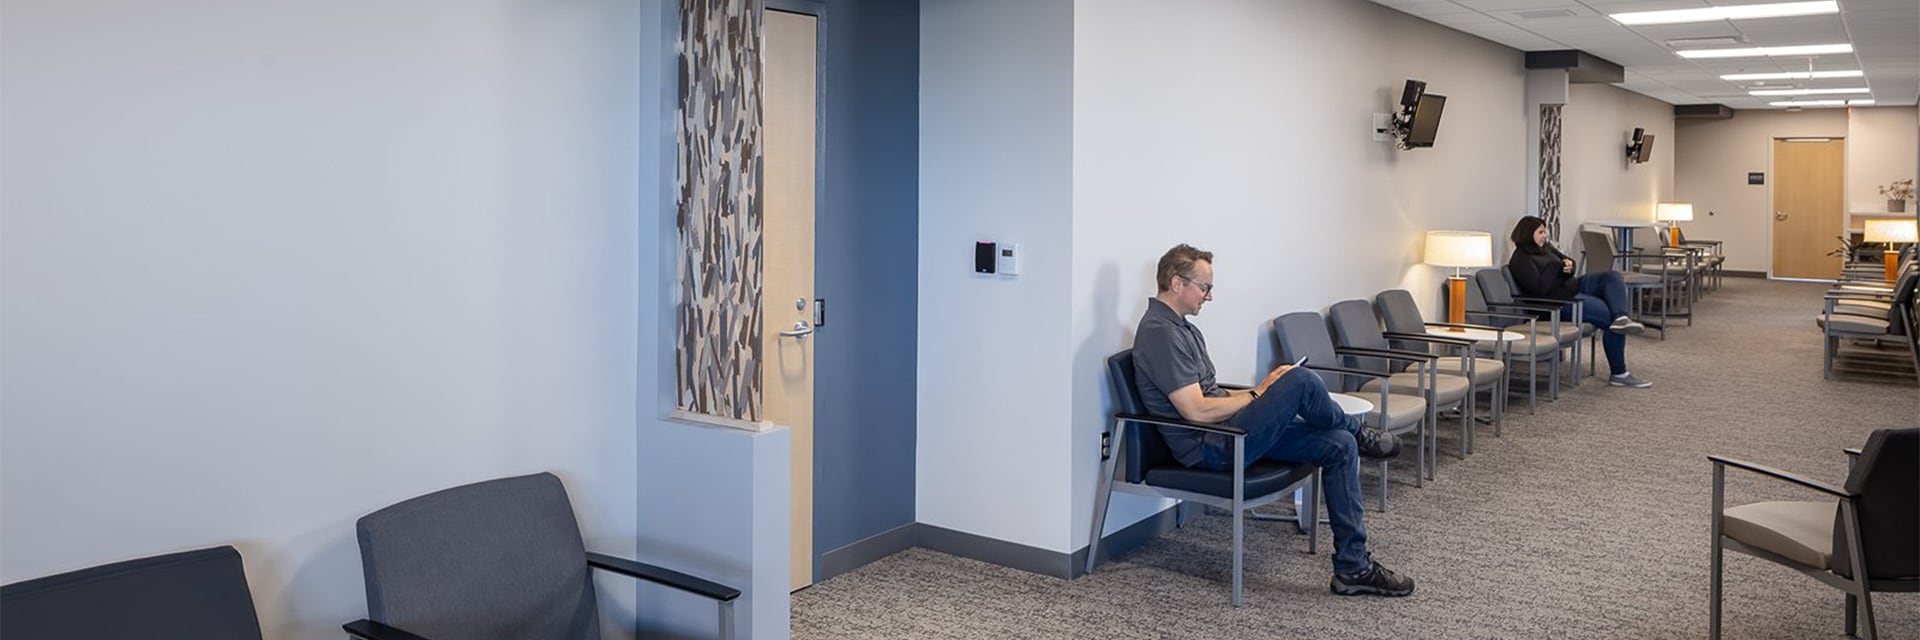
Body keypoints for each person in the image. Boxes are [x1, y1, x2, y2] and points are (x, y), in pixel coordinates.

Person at [1131, 243, 1414, 597]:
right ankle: (1358, 430)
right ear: (1177, 283)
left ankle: (1353, 567)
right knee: (1298, 380)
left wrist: (1259, 395)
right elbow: (1196, 411)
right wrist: (1259, 393)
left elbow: (1212, 396)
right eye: (1205, 287)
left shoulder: (1183, 328)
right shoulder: (1161, 332)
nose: (1209, 296)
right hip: (1209, 447)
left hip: (1227, 432)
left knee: (1338, 445)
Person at [1506, 216, 1652, 388]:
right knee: (1608, 318)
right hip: (1557, 303)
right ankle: (1619, 373)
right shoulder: (1520, 260)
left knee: (1612, 277)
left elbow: (1567, 262)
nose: (1545, 236)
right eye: (1540, 232)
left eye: (1544, 231)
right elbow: (1541, 289)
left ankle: (1622, 318)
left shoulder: (1546, 248)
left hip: (1572, 287)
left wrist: (1570, 266)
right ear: (1527, 234)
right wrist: (1558, 267)